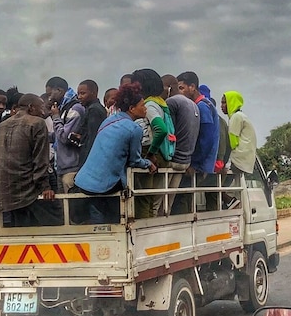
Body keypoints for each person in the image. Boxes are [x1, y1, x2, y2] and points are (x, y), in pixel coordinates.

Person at [73, 82, 157, 223]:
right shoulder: (134, 129)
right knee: (118, 218)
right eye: (142, 105)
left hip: (84, 180)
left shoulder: (109, 120)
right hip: (105, 185)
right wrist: (148, 163)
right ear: (132, 108)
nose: (145, 108)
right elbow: (134, 160)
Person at [0, 93, 63, 227]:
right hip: (29, 190)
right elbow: (40, 159)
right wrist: (45, 187)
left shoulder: (2, 126)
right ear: (31, 107)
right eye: (41, 108)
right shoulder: (37, 123)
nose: (43, 112)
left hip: (7, 192)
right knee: (56, 224)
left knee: (23, 231)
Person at [132, 68, 173, 218]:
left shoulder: (148, 105)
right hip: (162, 153)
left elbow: (161, 129)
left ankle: (143, 228)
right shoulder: (160, 102)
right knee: (149, 198)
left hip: (150, 152)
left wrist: (150, 153)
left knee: (143, 198)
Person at [175, 71, 218, 212]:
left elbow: (206, 139)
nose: (179, 92)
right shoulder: (204, 104)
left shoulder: (202, 107)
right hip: (202, 163)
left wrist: (195, 163)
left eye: (181, 88)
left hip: (200, 164)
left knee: (181, 198)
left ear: (192, 87)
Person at [163, 74, 199, 214]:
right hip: (185, 161)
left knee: (157, 203)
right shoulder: (193, 105)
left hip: (173, 160)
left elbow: (168, 131)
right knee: (169, 203)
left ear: (169, 88)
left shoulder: (171, 102)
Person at [223, 90, 257, 207]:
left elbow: (233, 142)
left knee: (214, 183)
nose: (222, 106)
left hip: (238, 158)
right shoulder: (242, 116)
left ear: (231, 102)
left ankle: (230, 201)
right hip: (245, 157)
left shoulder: (236, 117)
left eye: (224, 102)